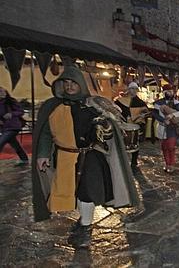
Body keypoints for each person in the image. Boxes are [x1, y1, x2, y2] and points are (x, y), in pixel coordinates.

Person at [31, 66, 139, 248]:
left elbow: (111, 127)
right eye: (66, 82)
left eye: (73, 82)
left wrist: (104, 127)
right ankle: (83, 220)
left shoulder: (93, 105)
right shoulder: (53, 106)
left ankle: (86, 228)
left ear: (81, 84)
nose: (70, 86)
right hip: (64, 157)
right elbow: (46, 133)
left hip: (89, 156)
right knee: (71, 192)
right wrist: (42, 154)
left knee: (87, 192)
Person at [114, 82, 149, 167]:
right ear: (129, 90)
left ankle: (134, 161)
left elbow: (146, 113)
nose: (133, 91)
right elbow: (115, 110)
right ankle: (123, 162)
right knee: (122, 144)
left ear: (137, 90)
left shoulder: (141, 102)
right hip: (123, 125)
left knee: (135, 144)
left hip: (135, 126)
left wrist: (142, 116)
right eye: (131, 89)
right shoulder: (121, 101)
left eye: (135, 89)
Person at [152, 84, 179, 173]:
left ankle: (172, 164)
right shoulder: (158, 103)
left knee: (171, 146)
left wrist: (172, 114)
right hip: (162, 127)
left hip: (172, 128)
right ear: (165, 92)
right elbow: (154, 114)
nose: (170, 93)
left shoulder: (176, 102)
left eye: (171, 91)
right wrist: (162, 120)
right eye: (169, 91)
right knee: (164, 147)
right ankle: (167, 164)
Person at [0, 86, 29, 166]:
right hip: (4, 128)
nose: (2, 93)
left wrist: (11, 114)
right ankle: (24, 159)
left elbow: (21, 111)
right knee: (15, 145)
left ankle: (24, 160)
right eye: (0, 92)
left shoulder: (11, 101)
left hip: (13, 126)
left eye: (3, 91)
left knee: (1, 142)